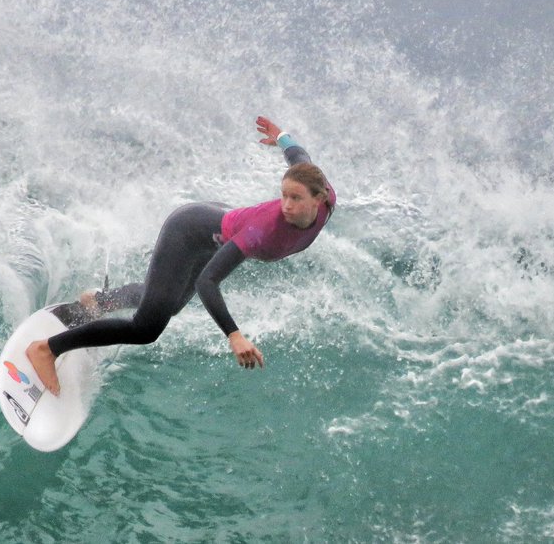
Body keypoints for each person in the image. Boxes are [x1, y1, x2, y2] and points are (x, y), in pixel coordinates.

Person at [26, 116, 336, 394]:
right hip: (186, 233)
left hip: (210, 239)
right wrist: (234, 335)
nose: (286, 205)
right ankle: (46, 350)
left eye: (296, 198)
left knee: (168, 304)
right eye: (283, 195)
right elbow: (207, 282)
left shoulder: (326, 197)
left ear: (320, 198)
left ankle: (99, 302)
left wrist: (281, 135)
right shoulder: (262, 230)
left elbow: (299, 157)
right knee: (146, 328)